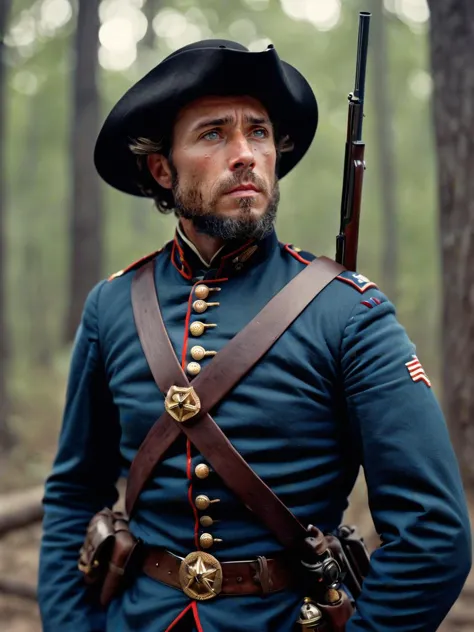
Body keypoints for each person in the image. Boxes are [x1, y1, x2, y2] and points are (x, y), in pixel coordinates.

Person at [38, 40, 471, 632]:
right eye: (214, 134)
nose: (245, 154)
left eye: (259, 133)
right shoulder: (112, 305)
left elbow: (433, 534)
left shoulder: (350, 313)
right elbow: (72, 496)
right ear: (162, 168)